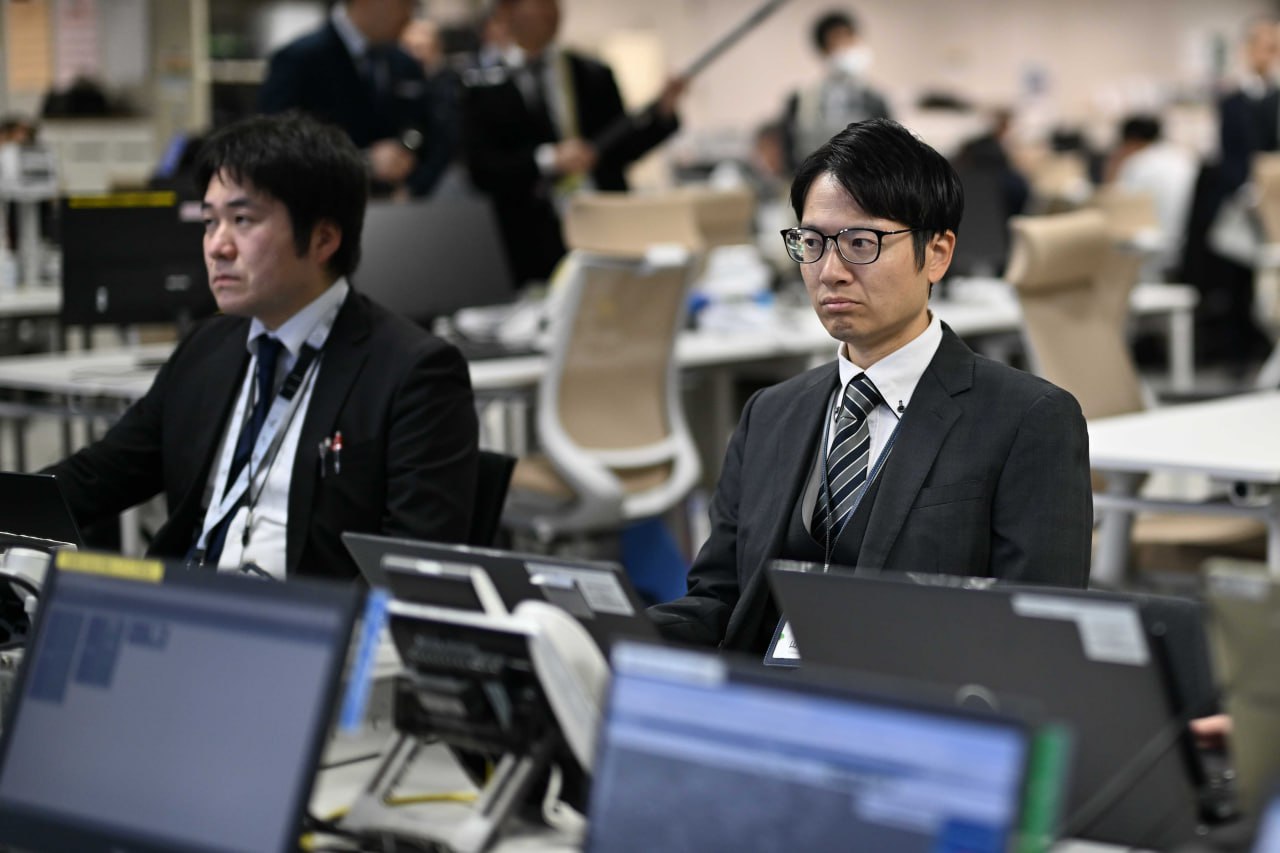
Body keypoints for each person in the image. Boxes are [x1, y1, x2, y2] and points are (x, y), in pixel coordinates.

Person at [649, 119, 1093, 654]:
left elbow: (1037, 639)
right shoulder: (770, 414)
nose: (830, 271)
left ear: (937, 253)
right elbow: (718, 602)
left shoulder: (1028, 420)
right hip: (762, 693)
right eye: (812, 243)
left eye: (861, 242)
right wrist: (600, 634)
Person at [46, 113, 479, 581]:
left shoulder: (412, 372)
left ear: (323, 239)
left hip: (305, 618)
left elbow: (411, 568)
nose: (217, 246)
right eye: (209, 222)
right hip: (181, 603)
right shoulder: (208, 347)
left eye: (242, 220)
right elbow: (100, 476)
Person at [460, 0, 685, 286]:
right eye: (538, 3)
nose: (550, 12)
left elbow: (621, 147)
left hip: (603, 226)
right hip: (532, 240)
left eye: (554, 4)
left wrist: (663, 114)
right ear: (506, 11)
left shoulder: (592, 72)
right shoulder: (480, 85)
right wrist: (548, 159)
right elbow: (481, 169)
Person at [258, 0, 457, 199]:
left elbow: (434, 136)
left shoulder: (404, 64)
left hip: (398, 206)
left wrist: (414, 187)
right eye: (403, 4)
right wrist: (362, 161)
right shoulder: (298, 59)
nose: (409, 16)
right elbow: (274, 146)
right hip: (325, 203)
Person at [781, 9, 892, 172]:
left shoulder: (875, 99)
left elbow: (889, 148)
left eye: (849, 38)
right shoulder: (801, 101)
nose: (845, 46)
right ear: (824, 49)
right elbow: (791, 153)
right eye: (837, 40)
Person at [1103, 114, 1196, 279]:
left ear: (1132, 141)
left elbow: (1115, 207)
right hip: (1184, 249)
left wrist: (1114, 166)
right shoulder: (1183, 158)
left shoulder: (1137, 164)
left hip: (1153, 254)